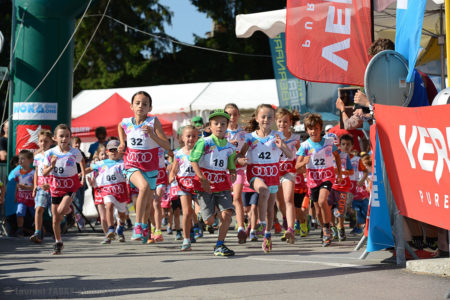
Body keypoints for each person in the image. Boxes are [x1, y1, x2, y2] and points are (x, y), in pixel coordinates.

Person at [237, 104, 293, 253]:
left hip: (272, 174)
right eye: (263, 116)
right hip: (255, 173)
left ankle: (267, 236)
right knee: (263, 192)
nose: (266, 119)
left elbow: (290, 155)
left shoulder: (277, 136)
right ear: (257, 118)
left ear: (274, 119)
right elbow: (239, 156)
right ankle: (261, 223)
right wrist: (240, 160)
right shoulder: (250, 137)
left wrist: (282, 146)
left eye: (270, 117)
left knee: (270, 210)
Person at [118, 91, 170, 244]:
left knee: (148, 203)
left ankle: (145, 226)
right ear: (131, 106)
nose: (141, 106)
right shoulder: (127, 122)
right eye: (138, 103)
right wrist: (122, 143)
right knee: (144, 187)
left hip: (150, 167)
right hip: (132, 164)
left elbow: (167, 145)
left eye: (145, 104)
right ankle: (138, 226)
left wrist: (153, 135)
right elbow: (120, 126)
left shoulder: (153, 122)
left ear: (150, 107)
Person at [190, 109, 237, 256]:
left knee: (227, 214)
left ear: (227, 126)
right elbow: (193, 161)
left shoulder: (230, 146)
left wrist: (233, 172)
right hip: (205, 185)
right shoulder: (204, 142)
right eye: (216, 123)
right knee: (210, 221)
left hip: (222, 184)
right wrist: (202, 178)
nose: (219, 126)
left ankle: (220, 244)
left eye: (223, 124)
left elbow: (231, 164)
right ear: (210, 126)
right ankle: (202, 214)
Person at [295, 113, 342, 247]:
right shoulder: (304, 146)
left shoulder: (328, 142)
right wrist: (304, 161)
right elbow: (297, 166)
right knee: (317, 208)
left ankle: (327, 230)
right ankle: (325, 228)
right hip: (313, 179)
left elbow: (337, 156)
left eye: (316, 128)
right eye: (310, 129)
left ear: (320, 129)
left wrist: (339, 172)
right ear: (306, 130)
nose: (313, 131)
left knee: (322, 201)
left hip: (327, 176)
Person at [43, 124, 85, 255]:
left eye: (67, 136)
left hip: (70, 185)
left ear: (70, 138)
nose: (64, 139)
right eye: (61, 136)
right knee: (55, 219)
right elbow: (44, 172)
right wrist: (52, 166)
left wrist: (83, 176)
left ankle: (70, 211)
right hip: (56, 186)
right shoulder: (50, 153)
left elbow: (82, 162)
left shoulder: (74, 152)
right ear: (55, 138)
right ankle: (58, 242)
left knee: (61, 210)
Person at [86, 140, 129, 243]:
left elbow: (130, 173)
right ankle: (110, 229)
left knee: (122, 214)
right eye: (111, 150)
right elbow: (90, 168)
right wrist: (79, 174)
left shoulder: (124, 163)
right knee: (108, 206)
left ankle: (121, 226)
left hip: (120, 191)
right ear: (107, 152)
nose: (114, 152)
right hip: (107, 190)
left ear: (120, 151)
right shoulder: (101, 163)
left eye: (116, 149)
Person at [170, 125, 200, 251]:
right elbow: (174, 169)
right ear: (182, 138)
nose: (191, 139)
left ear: (197, 138)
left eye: (194, 136)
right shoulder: (178, 153)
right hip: (183, 185)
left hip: (197, 184)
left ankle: (197, 225)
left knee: (199, 211)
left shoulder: (200, 151)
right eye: (188, 136)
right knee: (187, 212)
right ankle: (186, 239)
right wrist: (171, 177)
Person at [275, 108, 301, 244]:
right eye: (279, 121)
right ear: (276, 122)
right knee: (280, 202)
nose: (282, 124)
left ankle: (291, 229)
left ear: (290, 122)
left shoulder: (295, 138)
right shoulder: (272, 137)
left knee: (289, 199)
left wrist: (301, 166)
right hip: (274, 173)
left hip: (289, 172)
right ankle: (285, 218)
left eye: (285, 121)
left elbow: (301, 155)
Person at [224, 103, 248, 244]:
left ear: (238, 115)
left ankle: (241, 228)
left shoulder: (243, 133)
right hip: (224, 170)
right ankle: (224, 226)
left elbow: (245, 148)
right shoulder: (221, 131)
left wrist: (240, 157)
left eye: (234, 114)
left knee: (237, 198)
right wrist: (227, 145)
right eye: (229, 114)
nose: (232, 117)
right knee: (225, 199)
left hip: (238, 169)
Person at [328, 135, 354, 241]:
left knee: (340, 209)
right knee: (328, 208)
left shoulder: (344, 155)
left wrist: (340, 172)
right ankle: (332, 227)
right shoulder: (324, 155)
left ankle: (341, 227)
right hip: (329, 186)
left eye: (334, 144)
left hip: (342, 186)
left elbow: (351, 171)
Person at [30, 129, 53, 243]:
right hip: (40, 186)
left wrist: (51, 184)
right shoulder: (37, 155)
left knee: (54, 212)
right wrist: (35, 185)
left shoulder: (54, 154)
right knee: (38, 208)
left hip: (52, 186)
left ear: (51, 142)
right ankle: (37, 232)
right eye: (41, 141)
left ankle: (57, 230)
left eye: (46, 141)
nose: (43, 143)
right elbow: (36, 171)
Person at [14, 150, 35, 237]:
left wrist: (26, 187)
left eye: (23, 159)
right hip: (21, 197)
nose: (20, 161)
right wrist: (16, 195)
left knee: (35, 213)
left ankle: (39, 228)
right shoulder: (17, 173)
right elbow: (17, 185)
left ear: (30, 160)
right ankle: (20, 229)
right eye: (19, 159)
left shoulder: (33, 173)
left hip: (31, 197)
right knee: (19, 212)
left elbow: (35, 186)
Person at [71, 136, 88, 230]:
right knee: (76, 200)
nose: (77, 145)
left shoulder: (81, 153)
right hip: (74, 180)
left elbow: (84, 165)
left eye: (78, 143)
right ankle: (78, 219)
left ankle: (79, 217)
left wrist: (83, 176)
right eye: (75, 143)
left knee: (81, 200)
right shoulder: (70, 153)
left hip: (81, 179)